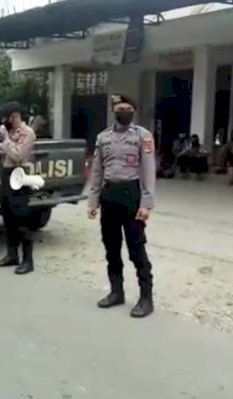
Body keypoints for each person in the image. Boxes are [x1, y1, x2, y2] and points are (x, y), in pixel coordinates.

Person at [87, 94, 157, 318]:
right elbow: (97, 170)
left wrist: (146, 203)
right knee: (111, 248)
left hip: (131, 195)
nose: (123, 111)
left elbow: (148, 170)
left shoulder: (142, 136)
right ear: (114, 111)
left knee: (136, 249)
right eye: (120, 108)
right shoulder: (103, 137)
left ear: (133, 111)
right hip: (109, 195)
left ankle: (146, 298)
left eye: (127, 107)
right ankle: (116, 292)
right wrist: (93, 200)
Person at [0, 101, 37, 275]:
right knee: (8, 216)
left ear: (15, 116)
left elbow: (18, 155)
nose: (4, 121)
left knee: (22, 219)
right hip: (7, 174)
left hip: (20, 175)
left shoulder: (27, 133)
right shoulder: (11, 133)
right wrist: (0, 149)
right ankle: (12, 255)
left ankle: (28, 261)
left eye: (6, 117)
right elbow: (7, 154)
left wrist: (5, 140)